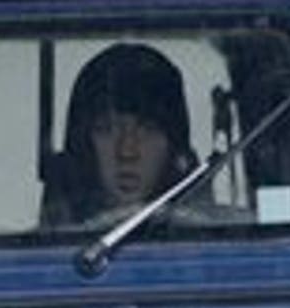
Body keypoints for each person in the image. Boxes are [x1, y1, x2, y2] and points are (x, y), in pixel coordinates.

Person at [40, 43, 201, 229]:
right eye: (106, 129)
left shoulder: (222, 234)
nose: (127, 152)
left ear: (173, 147)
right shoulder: (34, 245)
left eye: (148, 129)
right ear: (83, 146)